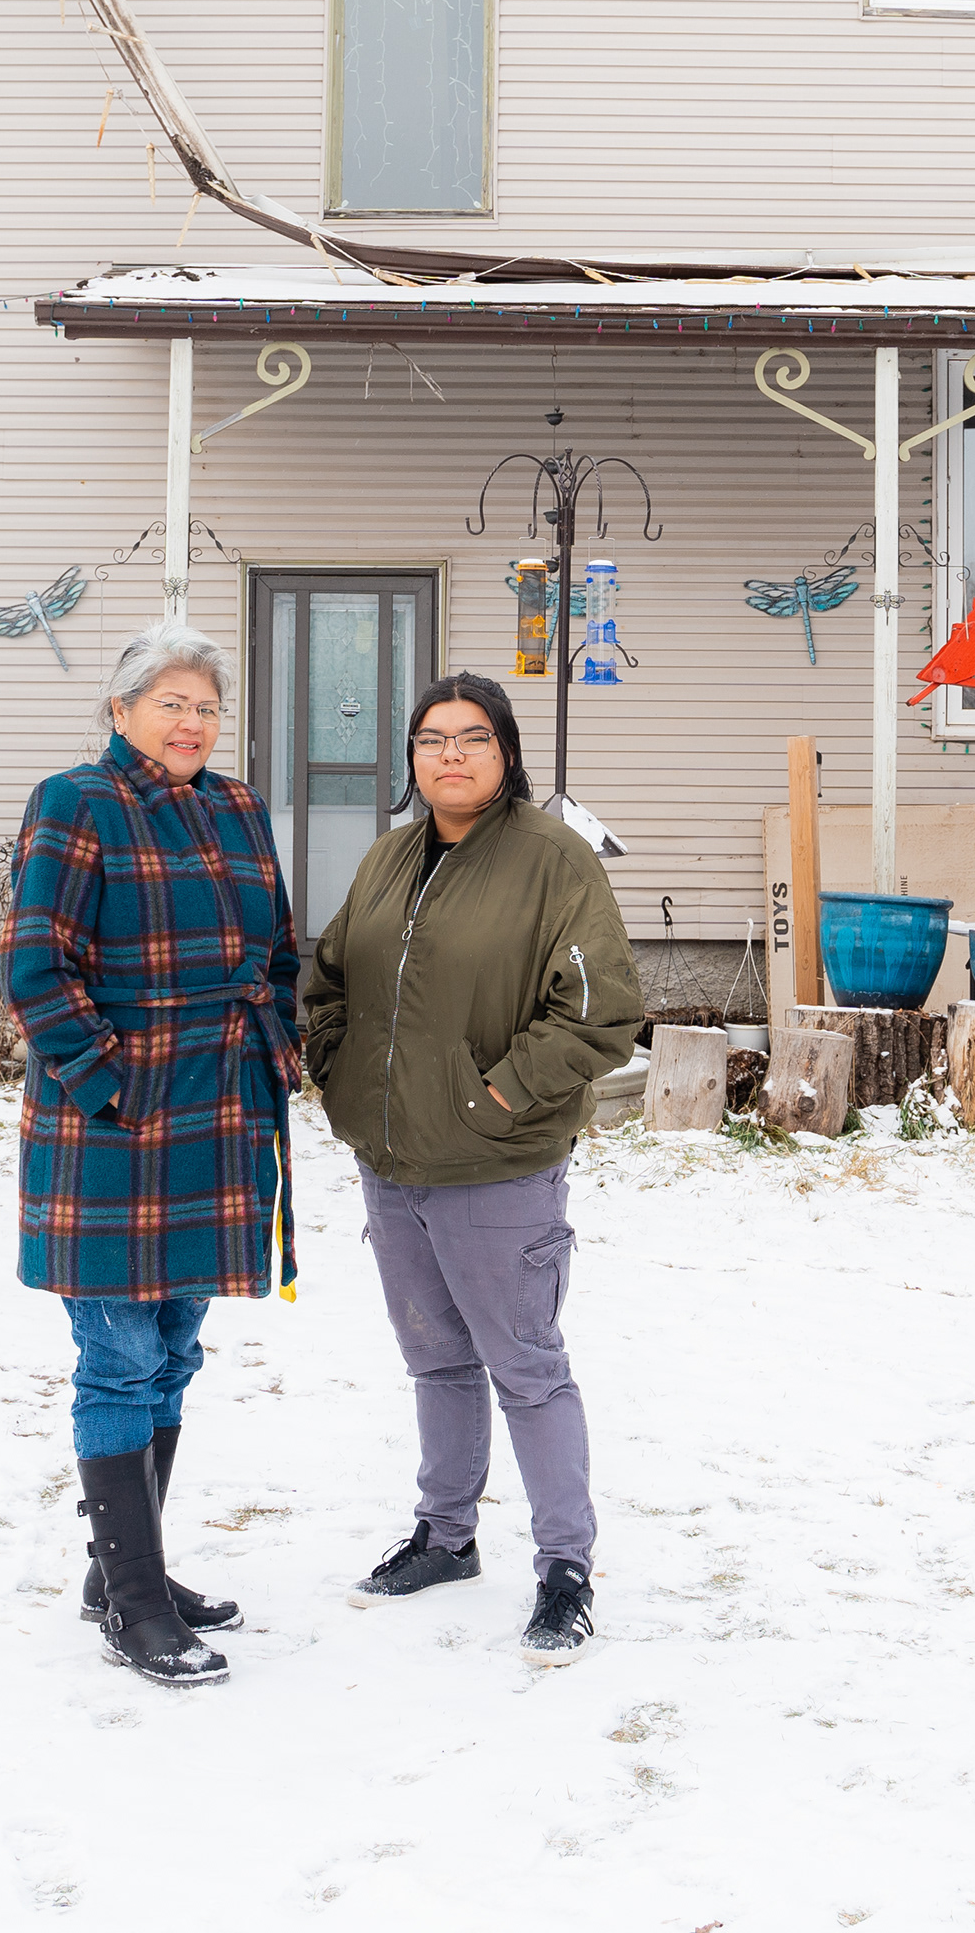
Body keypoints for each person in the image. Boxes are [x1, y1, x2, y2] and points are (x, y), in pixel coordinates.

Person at [301, 672, 642, 1666]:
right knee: (434, 1360)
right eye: (431, 739)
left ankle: (566, 1569)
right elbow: (330, 977)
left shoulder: (553, 861)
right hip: (391, 1161)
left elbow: (600, 1011)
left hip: (496, 1167)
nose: (450, 755)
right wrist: (336, 1069)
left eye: (472, 737)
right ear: (412, 758)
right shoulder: (390, 857)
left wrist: (497, 1094)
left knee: (526, 1368)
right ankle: (446, 1536)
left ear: (507, 753)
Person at [2, 625, 301, 1691]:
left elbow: (277, 951)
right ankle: (133, 1603)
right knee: (119, 1357)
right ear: (121, 711)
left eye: (207, 707)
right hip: (116, 1125)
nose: (192, 723)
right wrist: (107, 1082)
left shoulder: (238, 808)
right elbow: (35, 965)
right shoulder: (76, 801)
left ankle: (123, 1572)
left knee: (174, 1347)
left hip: (220, 1112)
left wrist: (278, 1040)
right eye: (171, 702)